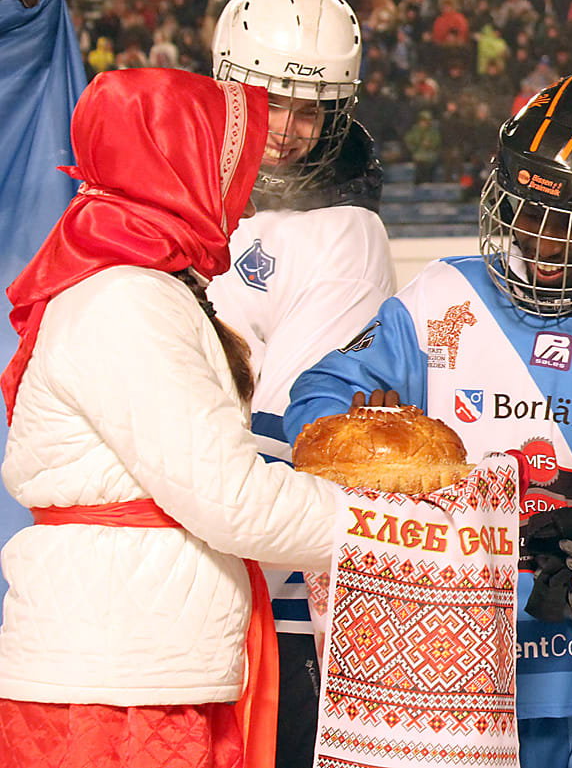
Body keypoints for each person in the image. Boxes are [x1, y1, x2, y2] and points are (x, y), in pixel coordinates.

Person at [283, 73, 572, 768]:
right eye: (525, 212)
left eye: (570, 223)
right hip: (453, 684)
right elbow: (319, 396)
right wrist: (363, 435)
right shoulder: (440, 296)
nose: (540, 241)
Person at [0, 68, 343, 768]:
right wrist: (393, 526)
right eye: (226, 167)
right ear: (176, 169)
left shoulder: (140, 289)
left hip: (138, 664)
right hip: (120, 688)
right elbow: (231, 500)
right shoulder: (128, 302)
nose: (241, 195)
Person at [204, 0, 397, 768]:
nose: (286, 130)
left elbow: (289, 426)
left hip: (262, 583)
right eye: (269, 101)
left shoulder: (345, 232)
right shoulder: (180, 195)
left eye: (309, 109)